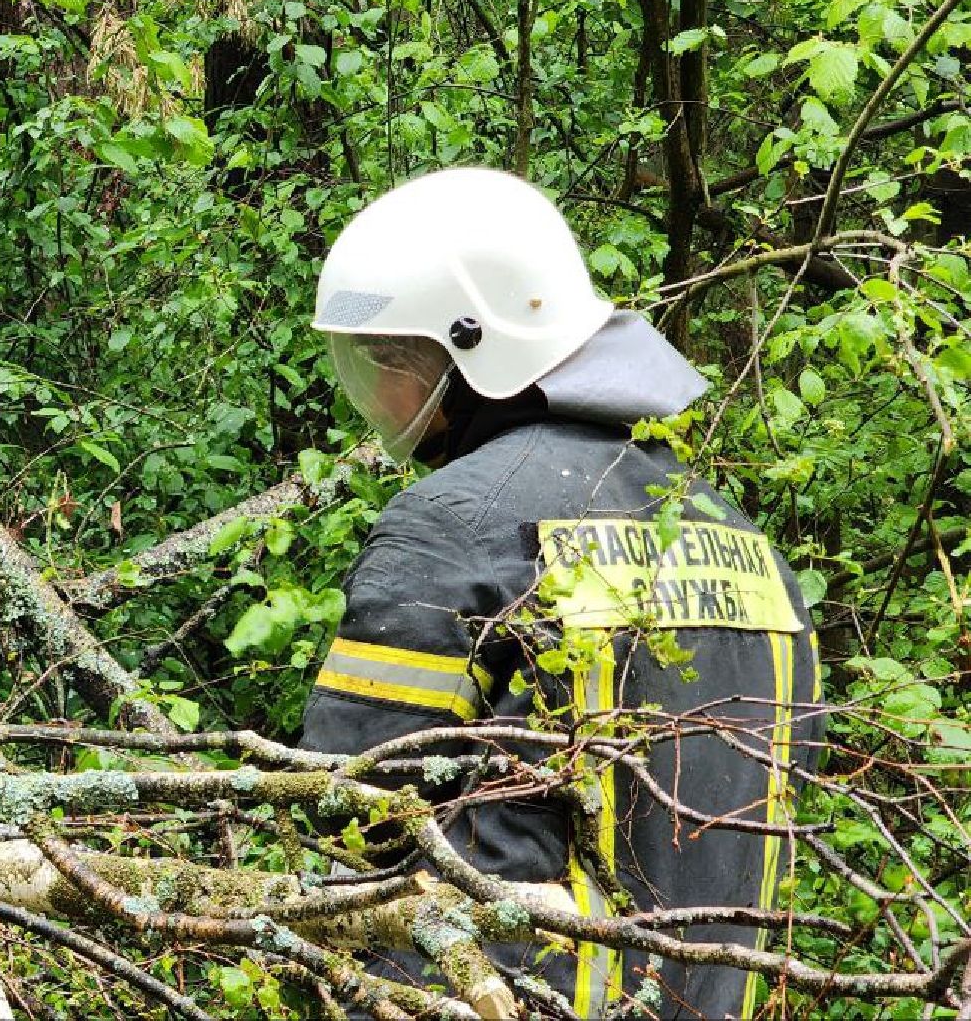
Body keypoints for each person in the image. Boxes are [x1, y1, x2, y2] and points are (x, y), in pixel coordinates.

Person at [300, 168, 825, 1019]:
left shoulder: (451, 525)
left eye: (387, 361)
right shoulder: (738, 537)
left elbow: (349, 814)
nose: (379, 394)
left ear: (465, 351)